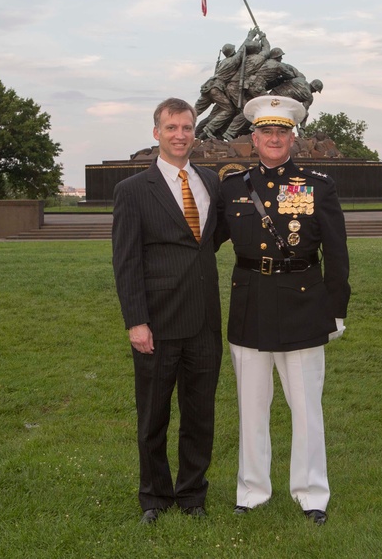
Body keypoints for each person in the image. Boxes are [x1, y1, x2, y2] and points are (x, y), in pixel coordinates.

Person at [216, 95, 351, 526]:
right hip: (250, 301)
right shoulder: (233, 186)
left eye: (282, 131)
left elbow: (336, 250)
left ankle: (312, 494)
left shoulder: (317, 185)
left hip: (303, 302)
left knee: (307, 407)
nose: (274, 139)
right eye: (266, 132)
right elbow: (204, 240)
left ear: (293, 137)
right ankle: (252, 490)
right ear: (253, 138)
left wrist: (336, 308)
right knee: (251, 406)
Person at [111, 97, 223, 524]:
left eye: (187, 127)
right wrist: (136, 321)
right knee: (153, 418)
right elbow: (126, 262)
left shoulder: (211, 182)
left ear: (196, 132)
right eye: (171, 127)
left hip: (204, 323)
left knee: (200, 416)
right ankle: (154, 498)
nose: (180, 135)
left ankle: (193, 494)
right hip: (155, 324)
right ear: (156, 132)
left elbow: (211, 242)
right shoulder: (133, 191)